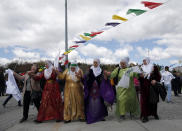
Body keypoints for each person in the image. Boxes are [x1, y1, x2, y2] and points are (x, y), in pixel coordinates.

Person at [84, 59, 114, 124]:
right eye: (94, 62)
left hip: (99, 90)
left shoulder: (101, 71)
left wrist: (106, 76)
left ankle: (101, 116)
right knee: (91, 103)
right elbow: (85, 78)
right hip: (91, 90)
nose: (95, 64)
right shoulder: (90, 70)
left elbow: (105, 79)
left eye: (96, 63)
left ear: (98, 63)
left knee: (100, 102)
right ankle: (91, 115)